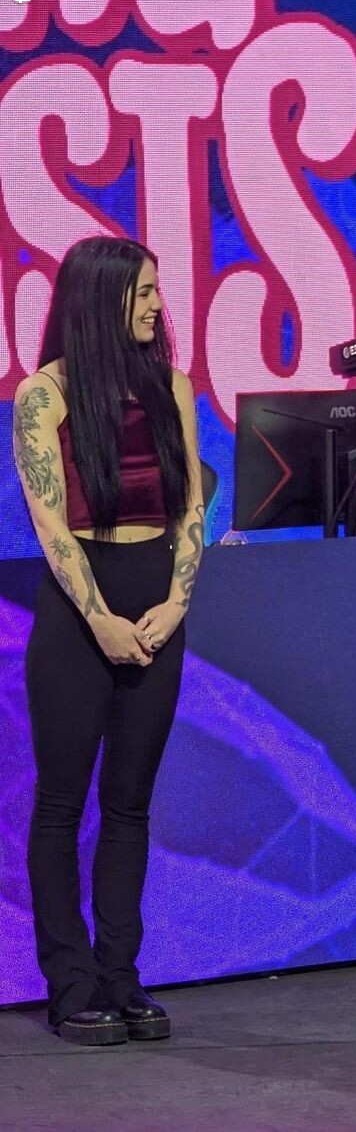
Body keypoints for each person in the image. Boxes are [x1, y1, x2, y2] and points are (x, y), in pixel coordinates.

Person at [12, 235, 205, 1045]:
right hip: (77, 610)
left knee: (129, 803)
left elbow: (191, 507)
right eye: (145, 291)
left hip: (157, 600)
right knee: (62, 804)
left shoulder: (171, 386)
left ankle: (122, 976)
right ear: (102, 298)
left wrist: (175, 601)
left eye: (157, 290)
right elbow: (50, 524)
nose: (158, 304)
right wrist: (97, 617)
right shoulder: (43, 395)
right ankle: (71, 983)